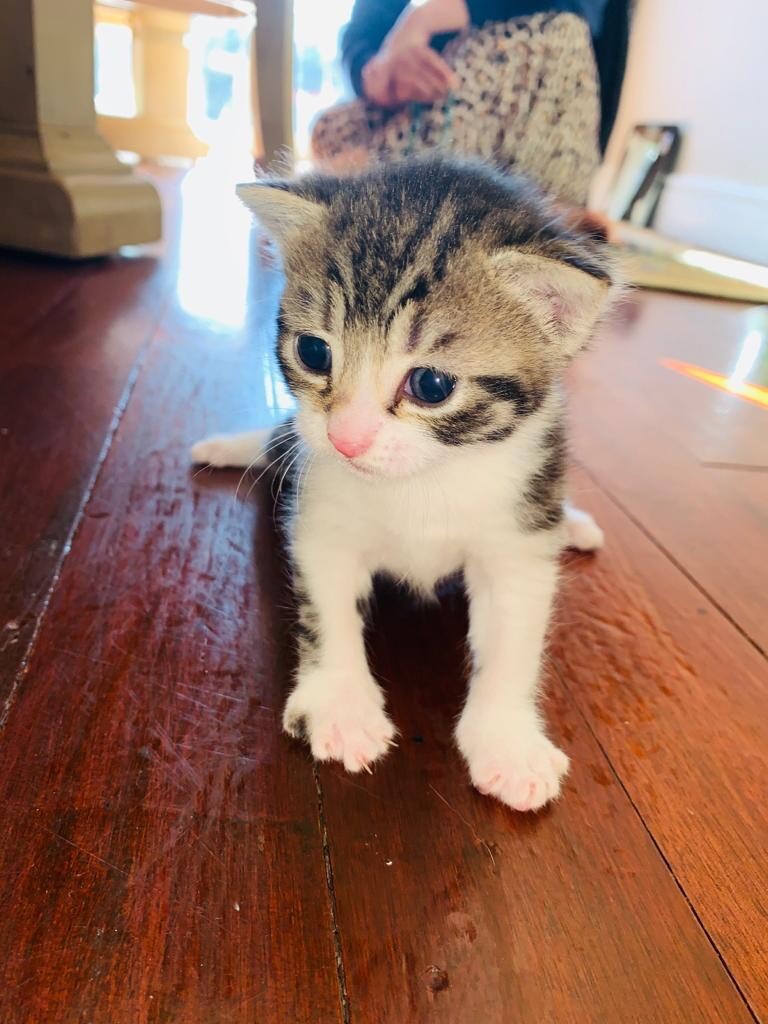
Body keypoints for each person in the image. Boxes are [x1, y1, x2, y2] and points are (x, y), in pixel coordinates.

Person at [311, 0, 630, 215]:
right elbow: (362, 31)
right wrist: (377, 73)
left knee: (548, 31)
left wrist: (428, 16)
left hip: (530, 60)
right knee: (328, 129)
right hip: (418, 102)